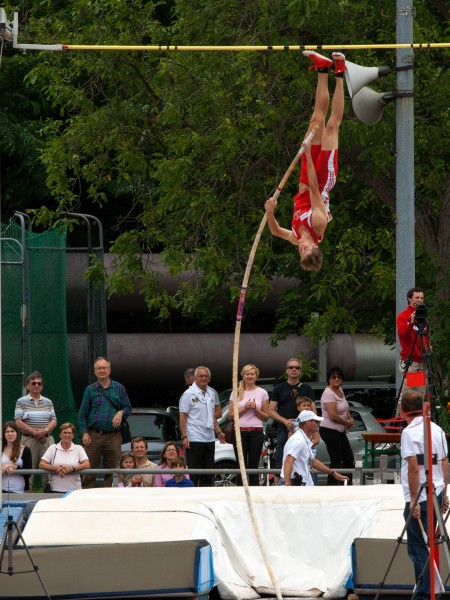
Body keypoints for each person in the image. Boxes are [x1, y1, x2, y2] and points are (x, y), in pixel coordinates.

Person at [264, 51, 346, 271]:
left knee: (316, 120)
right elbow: (314, 191)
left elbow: (275, 231)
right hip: (321, 180)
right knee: (331, 126)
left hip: (307, 178)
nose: (300, 247)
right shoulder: (318, 225)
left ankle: (322, 69)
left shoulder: (296, 236)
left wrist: (270, 211)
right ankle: (339, 73)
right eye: (305, 249)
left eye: (300, 251)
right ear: (314, 247)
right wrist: (308, 155)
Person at [400, 389, 449, 600]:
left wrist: (413, 500)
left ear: (403, 410)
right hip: (436, 490)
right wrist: (445, 491)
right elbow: (445, 462)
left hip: (420, 495)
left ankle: (425, 593)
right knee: (429, 543)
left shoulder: (409, 432)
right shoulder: (436, 429)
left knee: (418, 548)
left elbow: (413, 467)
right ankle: (429, 590)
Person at [77, 356, 132, 488]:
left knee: (113, 470)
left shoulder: (119, 388)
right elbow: (81, 415)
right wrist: (84, 433)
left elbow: (128, 407)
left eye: (104, 367)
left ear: (109, 370)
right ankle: (86, 498)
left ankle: (110, 498)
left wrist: (120, 412)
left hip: (114, 436)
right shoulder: (90, 389)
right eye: (99, 368)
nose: (102, 370)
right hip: (94, 435)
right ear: (95, 371)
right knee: (89, 470)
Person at [268, 358, 315, 484]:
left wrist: (314, 429)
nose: (294, 369)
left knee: (305, 459)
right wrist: (284, 421)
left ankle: (304, 485)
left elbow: (313, 411)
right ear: (286, 370)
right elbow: (270, 411)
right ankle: (280, 489)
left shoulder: (307, 388)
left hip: (303, 430)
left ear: (300, 371)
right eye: (291, 367)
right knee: (281, 459)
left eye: (297, 367)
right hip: (284, 429)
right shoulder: (279, 388)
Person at [179, 366, 226, 486]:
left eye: (206, 376)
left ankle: (206, 498)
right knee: (194, 472)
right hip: (194, 437)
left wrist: (219, 432)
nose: (203, 378)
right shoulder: (188, 394)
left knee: (208, 472)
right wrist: (184, 436)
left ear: (209, 379)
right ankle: (193, 497)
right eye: (200, 376)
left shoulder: (212, 393)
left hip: (209, 438)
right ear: (195, 378)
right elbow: (183, 416)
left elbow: (212, 416)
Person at [14, 370, 57, 490]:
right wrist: (35, 433)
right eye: (33, 383)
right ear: (28, 386)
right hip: (28, 440)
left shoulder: (48, 402)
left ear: (42, 386)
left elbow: (54, 420)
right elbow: (18, 421)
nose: (36, 385)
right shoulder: (21, 401)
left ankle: (49, 500)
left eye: (39, 383)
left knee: (49, 470)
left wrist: (45, 431)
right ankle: (26, 500)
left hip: (47, 439)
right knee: (27, 470)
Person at [281, 411, 348, 486]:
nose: (318, 424)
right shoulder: (299, 440)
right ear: (308, 423)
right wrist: (287, 484)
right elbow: (288, 460)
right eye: (316, 421)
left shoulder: (302, 438)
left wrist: (333, 473)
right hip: (296, 484)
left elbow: (313, 462)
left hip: (299, 483)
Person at [228, 364, 270, 486]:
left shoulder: (262, 392)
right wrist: (244, 409)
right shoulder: (236, 392)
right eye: (247, 374)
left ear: (256, 376)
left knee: (254, 465)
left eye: (252, 374)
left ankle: (254, 491)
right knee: (241, 464)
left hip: (256, 431)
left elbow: (266, 417)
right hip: (240, 431)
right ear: (243, 376)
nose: (250, 376)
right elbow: (230, 416)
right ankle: (241, 490)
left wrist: (256, 409)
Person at [319, 366, 355, 485]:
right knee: (336, 459)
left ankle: (347, 484)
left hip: (340, 430)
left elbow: (345, 408)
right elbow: (333, 415)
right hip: (329, 429)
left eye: (339, 377)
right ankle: (332, 487)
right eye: (333, 377)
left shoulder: (340, 390)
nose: (336, 379)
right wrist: (347, 423)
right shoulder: (328, 393)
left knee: (349, 458)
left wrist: (349, 418)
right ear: (329, 379)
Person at [40, 422, 90, 493]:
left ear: (72, 435)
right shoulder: (53, 448)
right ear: (60, 435)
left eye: (69, 433)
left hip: (75, 491)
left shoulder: (79, 448)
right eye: (64, 432)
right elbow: (42, 464)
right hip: (55, 490)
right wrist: (56, 468)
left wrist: (72, 469)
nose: (67, 435)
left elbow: (87, 464)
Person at [2, 421, 32, 493]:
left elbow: (29, 473)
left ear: (17, 433)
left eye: (12, 431)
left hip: (18, 491)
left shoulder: (25, 450)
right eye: (7, 431)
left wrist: (15, 467)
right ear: (4, 434)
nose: (10, 434)